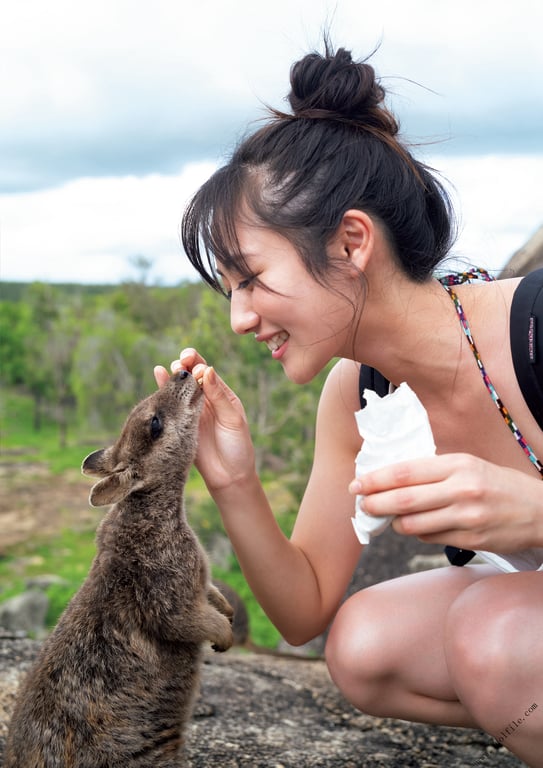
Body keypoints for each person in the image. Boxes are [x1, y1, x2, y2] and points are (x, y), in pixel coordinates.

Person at [154, 43, 543, 766]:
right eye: (230, 291)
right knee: (364, 648)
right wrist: (233, 480)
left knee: (492, 634)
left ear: (352, 242)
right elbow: (303, 612)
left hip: (508, 626)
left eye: (251, 278)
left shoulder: (534, 327)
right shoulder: (358, 394)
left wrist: (534, 511)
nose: (239, 318)